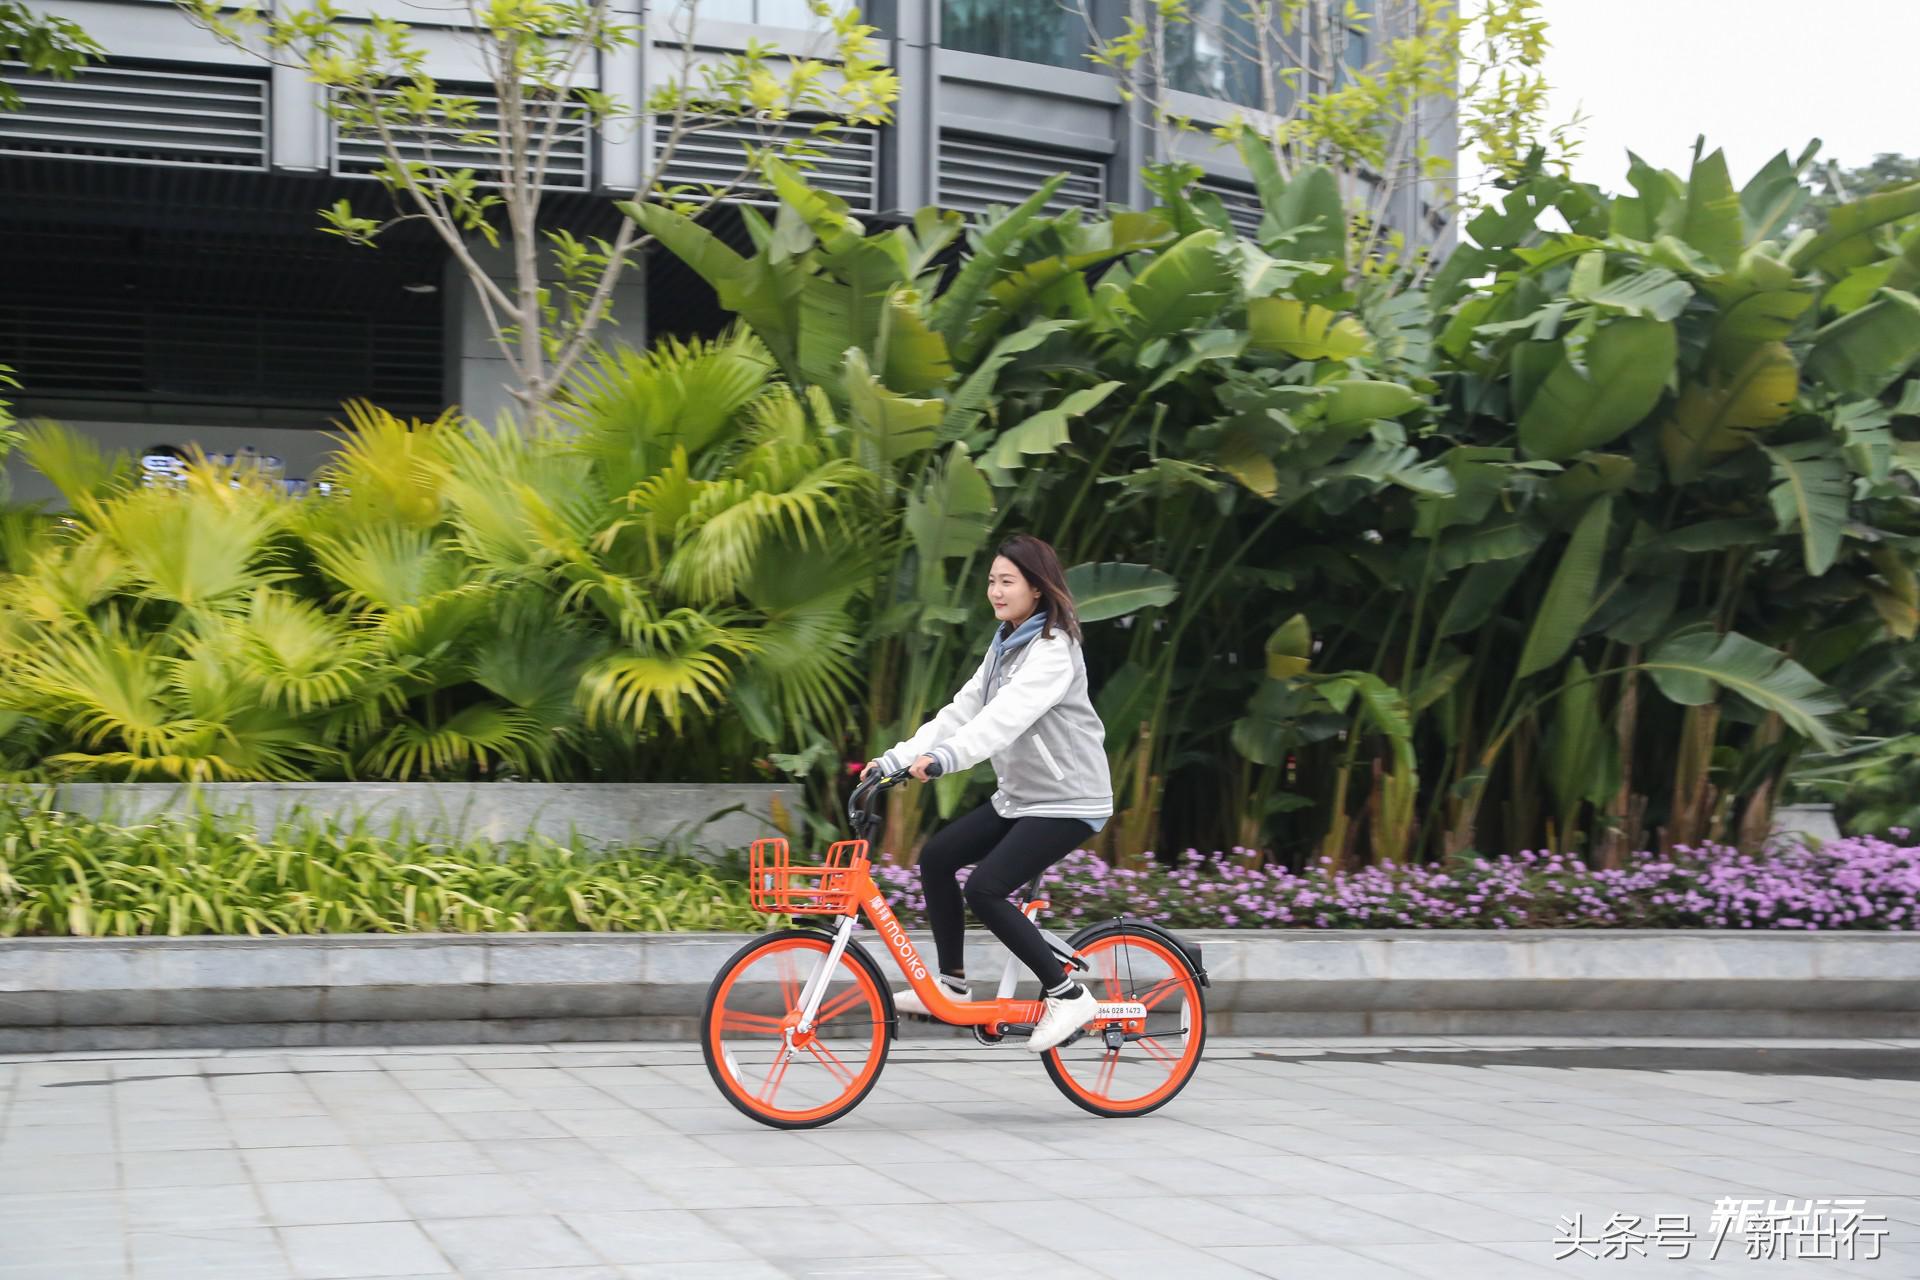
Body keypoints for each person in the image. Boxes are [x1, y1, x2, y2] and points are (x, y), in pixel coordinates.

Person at [864, 534, 1114, 1053]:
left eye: (1008, 582)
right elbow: (962, 710)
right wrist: (893, 760)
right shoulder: (1005, 644)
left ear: (1037, 589)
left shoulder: (1053, 650)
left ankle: (1068, 997)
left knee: (984, 888)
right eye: (992, 581)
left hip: (1070, 801)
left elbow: (1003, 719)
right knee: (936, 857)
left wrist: (947, 760)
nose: (996, 591)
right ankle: (951, 982)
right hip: (1022, 798)